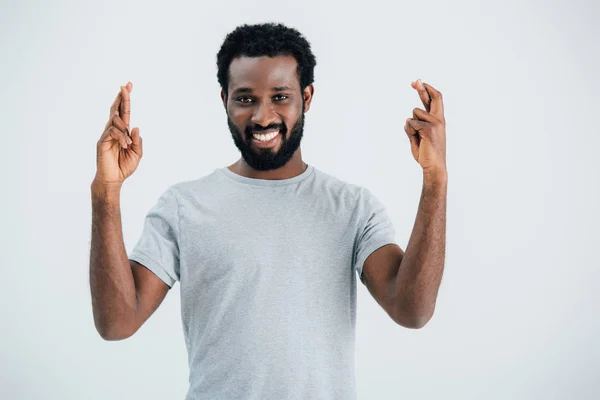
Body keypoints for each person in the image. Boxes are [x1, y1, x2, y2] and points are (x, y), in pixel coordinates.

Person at [89, 22, 447, 400]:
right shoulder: (184, 207)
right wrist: (106, 192)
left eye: (280, 96)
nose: (262, 117)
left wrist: (435, 180)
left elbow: (412, 311)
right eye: (245, 98)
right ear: (224, 98)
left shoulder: (351, 208)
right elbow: (116, 323)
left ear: (306, 97)